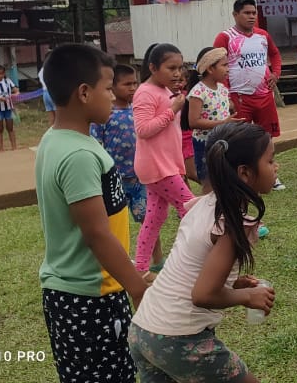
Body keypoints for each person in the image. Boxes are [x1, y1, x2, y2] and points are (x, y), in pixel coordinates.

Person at [36, 44, 148, 383]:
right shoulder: (78, 155)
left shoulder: (56, 140)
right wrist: (137, 287)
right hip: (89, 299)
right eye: (107, 86)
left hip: (78, 293)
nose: (113, 95)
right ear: (84, 92)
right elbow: (97, 234)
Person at [129, 123, 275, 383]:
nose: (276, 167)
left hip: (143, 331)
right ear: (244, 173)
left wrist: (233, 283)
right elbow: (203, 294)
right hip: (178, 338)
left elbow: (191, 271)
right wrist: (247, 296)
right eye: (270, 160)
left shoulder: (202, 205)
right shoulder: (232, 223)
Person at [133, 43, 194, 275]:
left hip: (165, 165)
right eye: (171, 68)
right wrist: (172, 110)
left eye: (180, 67)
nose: (177, 73)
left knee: (156, 217)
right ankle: (193, 261)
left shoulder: (166, 91)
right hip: (157, 167)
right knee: (190, 208)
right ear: (153, 67)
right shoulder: (145, 92)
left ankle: (140, 268)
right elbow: (143, 129)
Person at [213, 0, 285, 190]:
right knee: (239, 138)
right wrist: (226, 95)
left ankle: (270, 176)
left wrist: (275, 74)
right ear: (235, 15)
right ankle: (240, 177)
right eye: (247, 13)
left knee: (266, 138)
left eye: (254, 13)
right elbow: (217, 65)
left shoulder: (263, 35)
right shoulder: (225, 37)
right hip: (239, 96)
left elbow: (276, 55)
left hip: (264, 95)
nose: (252, 16)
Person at [90, 64, 157, 264]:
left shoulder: (139, 110)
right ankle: (121, 262)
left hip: (139, 179)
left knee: (149, 222)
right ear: (113, 86)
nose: (133, 88)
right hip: (114, 180)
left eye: (135, 83)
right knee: (116, 225)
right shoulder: (104, 115)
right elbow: (97, 144)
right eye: (127, 84)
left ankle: (156, 262)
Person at [188, 47, 239, 196]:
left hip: (223, 140)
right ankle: (206, 215)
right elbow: (193, 121)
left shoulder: (223, 89)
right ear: (210, 68)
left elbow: (225, 110)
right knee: (208, 183)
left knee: (224, 178)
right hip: (205, 144)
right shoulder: (198, 91)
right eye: (224, 65)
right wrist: (222, 123)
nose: (228, 69)